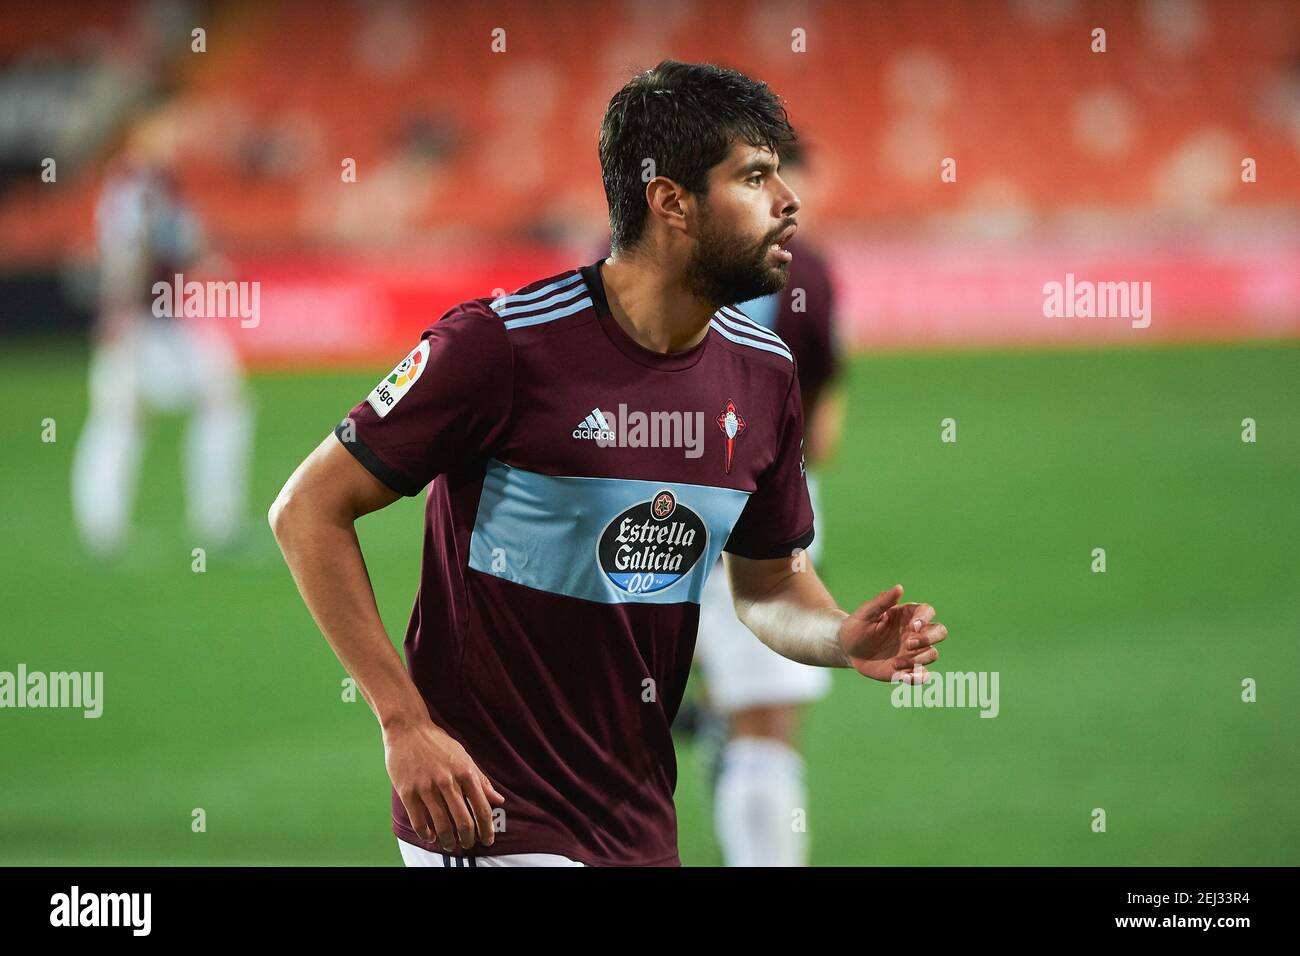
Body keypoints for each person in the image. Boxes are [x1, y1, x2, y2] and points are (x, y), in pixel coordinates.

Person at [270, 60, 948, 867]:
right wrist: (404, 722)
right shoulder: (502, 347)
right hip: (489, 812)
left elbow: (766, 585)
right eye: (756, 177)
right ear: (671, 203)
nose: (789, 200)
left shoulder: (763, 375)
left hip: (633, 821)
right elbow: (307, 509)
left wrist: (840, 636)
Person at [691, 139, 846, 866]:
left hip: (630, 503)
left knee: (596, 716)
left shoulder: (625, 250)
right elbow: (822, 424)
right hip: (760, 507)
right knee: (766, 728)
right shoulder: (805, 269)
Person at [73, 115, 252, 557]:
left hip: (167, 317)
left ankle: (215, 519)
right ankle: (105, 528)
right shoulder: (133, 189)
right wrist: (120, 318)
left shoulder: (160, 185)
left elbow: (179, 245)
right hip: (141, 320)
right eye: (168, 127)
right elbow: (125, 255)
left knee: (219, 399)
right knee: (122, 415)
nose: (178, 136)